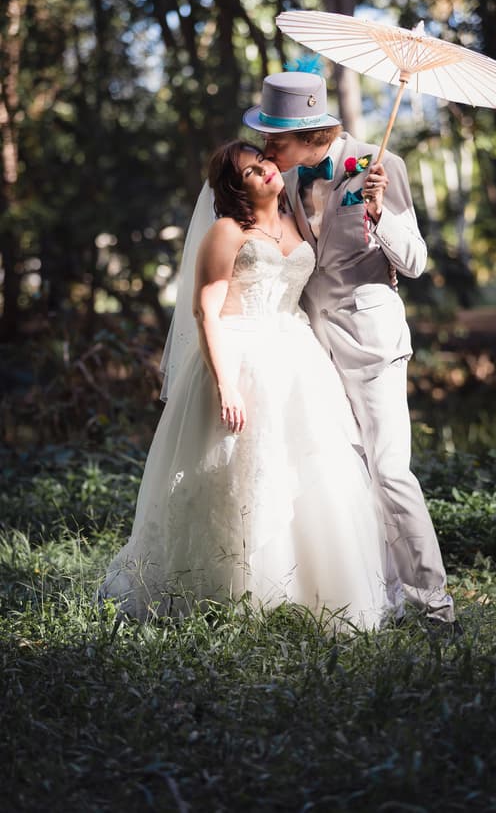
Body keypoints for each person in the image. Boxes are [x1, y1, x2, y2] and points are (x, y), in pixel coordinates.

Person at [100, 140, 388, 628]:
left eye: (263, 162)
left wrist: (372, 202)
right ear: (236, 188)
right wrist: (226, 384)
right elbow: (204, 312)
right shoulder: (227, 232)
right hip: (240, 356)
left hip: (296, 357)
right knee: (235, 476)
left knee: (309, 469)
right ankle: (225, 592)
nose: (266, 170)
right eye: (251, 171)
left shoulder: (297, 222)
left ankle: (310, 592)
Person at [243, 71, 456, 626]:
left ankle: (434, 604)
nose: (266, 146)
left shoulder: (382, 166)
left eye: (275, 137)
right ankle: (379, 597)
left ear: (310, 134)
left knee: (390, 471)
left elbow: (414, 262)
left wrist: (381, 215)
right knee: (346, 474)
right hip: (311, 348)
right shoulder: (287, 178)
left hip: (372, 343)